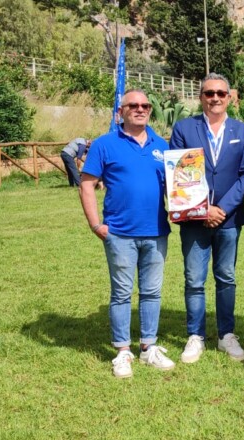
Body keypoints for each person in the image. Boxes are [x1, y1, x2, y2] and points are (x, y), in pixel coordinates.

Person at [78, 89, 174, 377]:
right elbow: (86, 184)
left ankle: (148, 347)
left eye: (145, 105)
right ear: (120, 111)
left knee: (152, 292)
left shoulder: (162, 145)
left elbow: (177, 187)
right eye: (133, 105)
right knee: (121, 293)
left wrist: (188, 205)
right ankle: (122, 351)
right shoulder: (105, 144)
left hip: (157, 232)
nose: (140, 109)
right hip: (119, 233)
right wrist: (96, 224)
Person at [169, 73, 244, 364]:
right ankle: (195, 335)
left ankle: (226, 334)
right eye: (209, 93)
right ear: (200, 96)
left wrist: (222, 208)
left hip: (228, 219)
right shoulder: (184, 128)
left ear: (229, 97)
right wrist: (203, 208)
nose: (215, 98)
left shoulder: (242, 131)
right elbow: (180, 175)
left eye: (221, 92)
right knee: (194, 279)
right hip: (195, 218)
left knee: (226, 277)